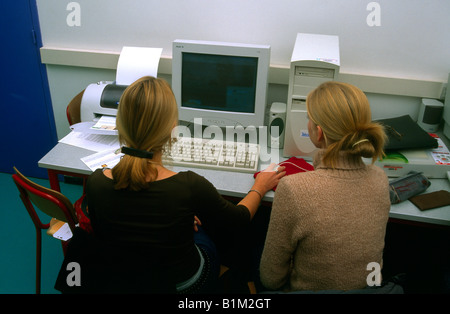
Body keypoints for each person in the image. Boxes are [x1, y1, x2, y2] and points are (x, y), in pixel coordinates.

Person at [56, 76, 285, 294]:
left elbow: (121, 220)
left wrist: (179, 216)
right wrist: (260, 187)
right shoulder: (187, 186)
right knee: (213, 235)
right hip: (182, 286)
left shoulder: (96, 182)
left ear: (119, 124)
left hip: (123, 279)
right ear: (172, 128)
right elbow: (239, 219)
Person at [259, 81, 390, 292]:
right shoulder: (380, 178)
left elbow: (270, 278)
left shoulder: (294, 189)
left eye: (308, 118)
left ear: (318, 133)